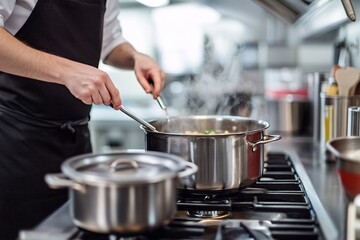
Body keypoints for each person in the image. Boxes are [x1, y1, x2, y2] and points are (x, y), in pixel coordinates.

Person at [0, 0, 166, 239]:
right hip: (15, 148)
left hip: (76, 146)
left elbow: (110, 42)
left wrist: (134, 57)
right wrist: (65, 71)